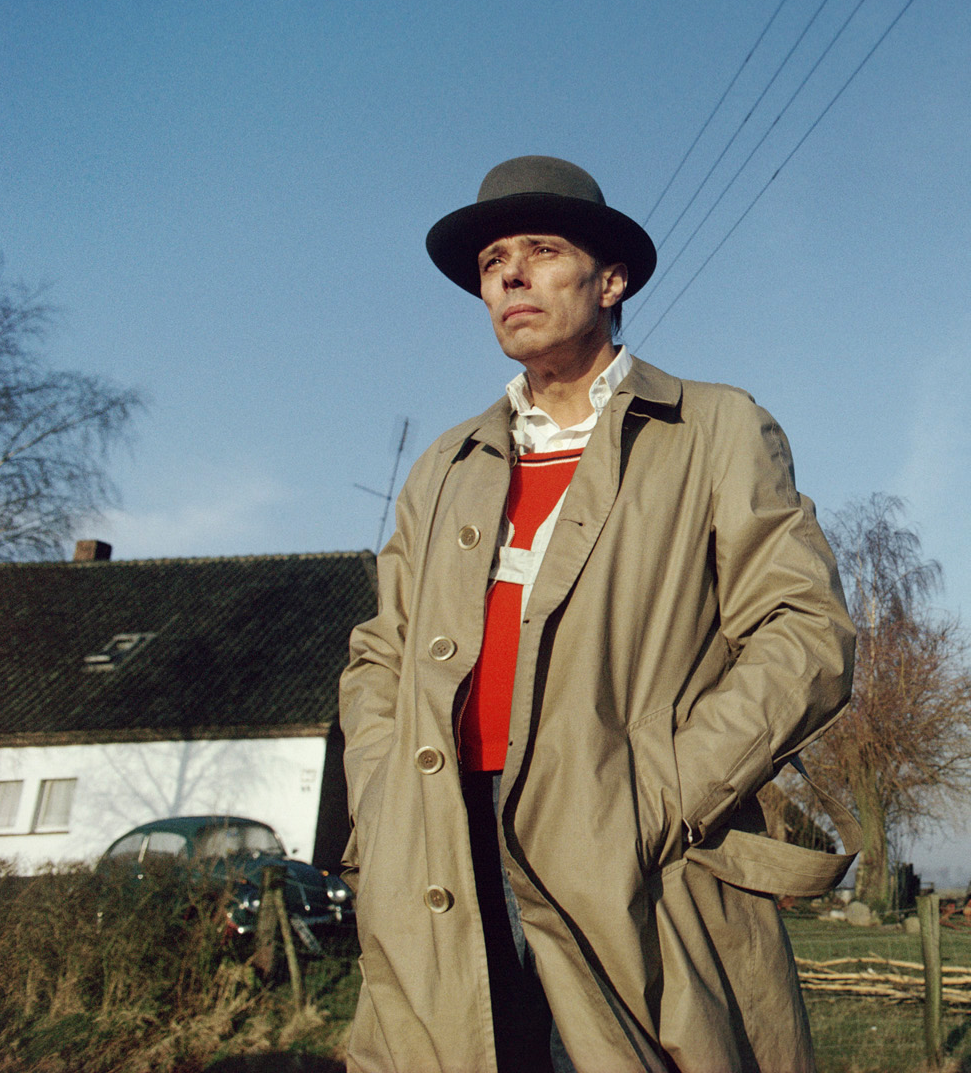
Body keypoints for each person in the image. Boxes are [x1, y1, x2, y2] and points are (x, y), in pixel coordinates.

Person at [339, 155, 857, 1073]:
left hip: (628, 846)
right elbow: (380, 654)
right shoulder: (445, 467)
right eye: (494, 259)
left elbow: (804, 631)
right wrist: (382, 802)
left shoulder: (712, 429)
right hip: (442, 848)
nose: (510, 275)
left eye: (541, 249)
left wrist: (665, 794)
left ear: (610, 279)